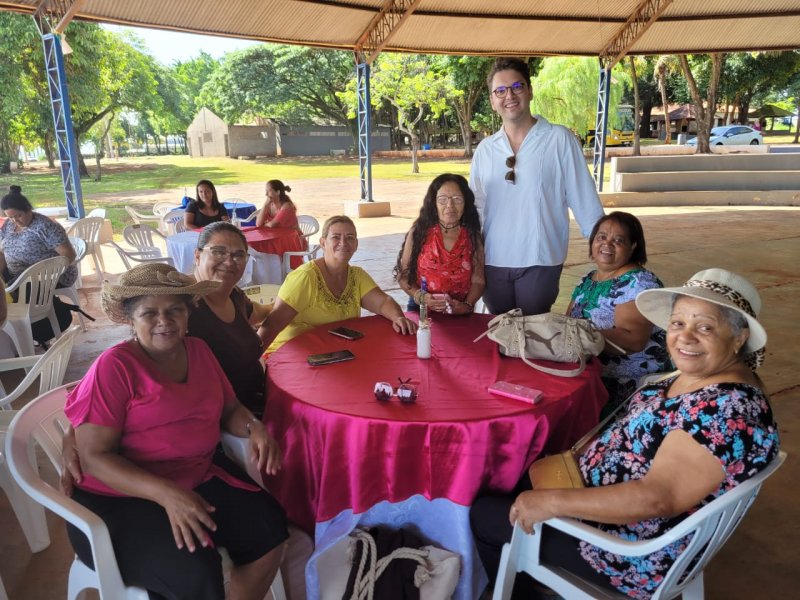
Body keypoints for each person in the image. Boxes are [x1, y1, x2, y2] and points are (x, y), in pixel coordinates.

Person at [470, 268, 780, 599]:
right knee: (504, 479)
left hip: (626, 552)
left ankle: (524, 590)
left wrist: (551, 501)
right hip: (603, 503)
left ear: (739, 337)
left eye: (705, 327)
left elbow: (657, 497)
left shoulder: (726, 410)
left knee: (484, 514)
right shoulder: (701, 375)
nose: (685, 337)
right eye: (678, 323)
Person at [63, 263, 288, 599]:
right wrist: (167, 494)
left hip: (194, 474)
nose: (164, 321)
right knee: (194, 570)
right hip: (119, 496)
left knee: (270, 531)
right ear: (130, 318)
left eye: (174, 310)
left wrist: (254, 427)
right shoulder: (116, 366)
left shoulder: (198, 350)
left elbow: (229, 409)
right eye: (149, 312)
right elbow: (94, 457)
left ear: (188, 314)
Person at [469, 57, 604, 316]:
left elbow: (584, 198)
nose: (509, 95)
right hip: (493, 259)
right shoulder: (486, 149)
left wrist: (602, 246)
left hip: (541, 258)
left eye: (516, 86)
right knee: (499, 333)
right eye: (500, 90)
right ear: (492, 100)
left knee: (533, 333)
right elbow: (475, 207)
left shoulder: (558, 139)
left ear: (529, 91)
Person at [259, 215, 417, 353]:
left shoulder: (356, 275)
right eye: (336, 237)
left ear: (356, 244)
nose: (344, 243)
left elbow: (383, 302)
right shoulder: (305, 277)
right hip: (290, 353)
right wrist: (252, 362)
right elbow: (272, 324)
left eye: (350, 237)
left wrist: (398, 317)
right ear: (322, 243)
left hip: (332, 353)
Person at [567, 211, 670, 411]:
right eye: (601, 237)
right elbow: (568, 322)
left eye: (618, 240)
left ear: (633, 247)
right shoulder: (588, 279)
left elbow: (633, 340)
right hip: (588, 371)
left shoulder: (638, 283)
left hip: (624, 382)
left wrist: (580, 334)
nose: (607, 244)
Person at [191, 222, 272, 415]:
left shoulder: (234, 295)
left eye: (238, 255)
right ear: (197, 256)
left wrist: (286, 303)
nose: (229, 262)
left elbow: (258, 312)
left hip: (256, 400)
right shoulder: (184, 306)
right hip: (223, 421)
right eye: (218, 252)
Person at [394, 173, 485, 315]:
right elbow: (404, 276)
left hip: (459, 312)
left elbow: (478, 281)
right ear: (433, 203)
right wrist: (422, 297)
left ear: (466, 203)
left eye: (457, 199)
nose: (450, 206)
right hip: (421, 310)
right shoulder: (419, 232)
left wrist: (466, 306)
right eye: (442, 199)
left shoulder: (472, 237)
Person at [0, 185, 77, 287]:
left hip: (48, 276)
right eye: (10, 217)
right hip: (17, 274)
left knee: (18, 296)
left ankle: (52, 303)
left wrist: (41, 274)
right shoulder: (8, 225)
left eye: (18, 215)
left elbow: (69, 255)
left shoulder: (46, 226)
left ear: (28, 209)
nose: (15, 221)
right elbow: (1, 252)